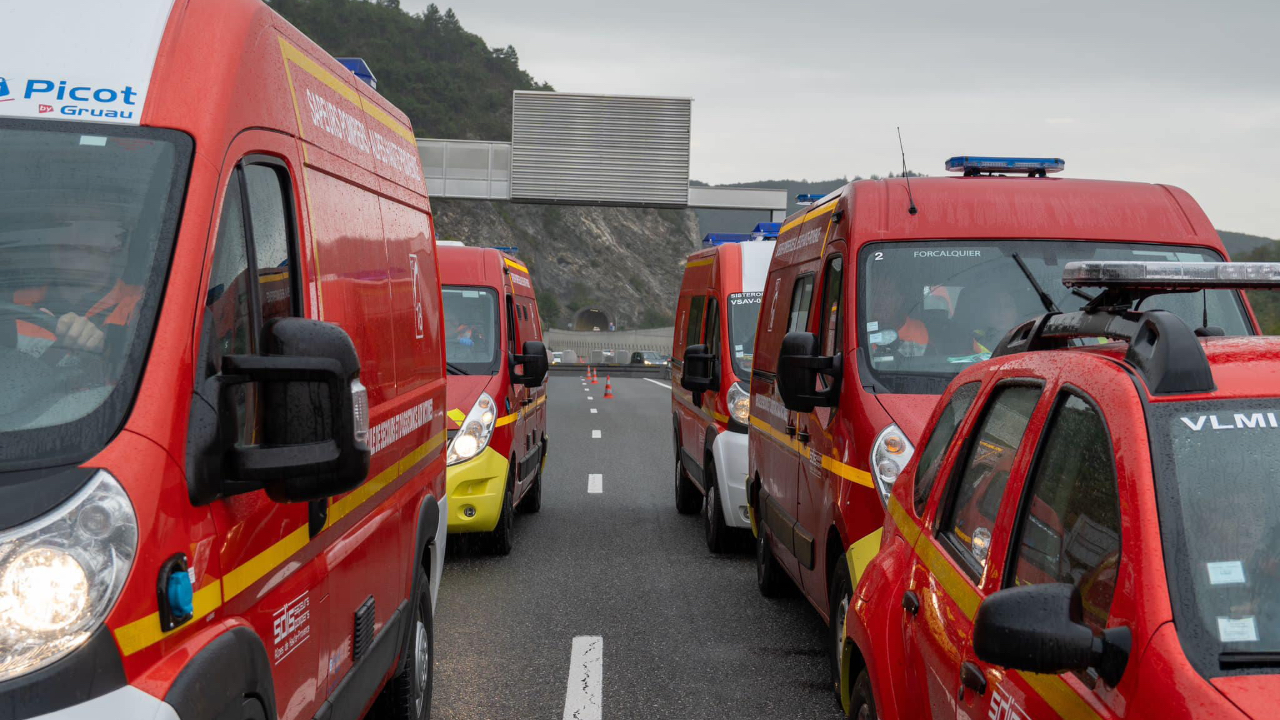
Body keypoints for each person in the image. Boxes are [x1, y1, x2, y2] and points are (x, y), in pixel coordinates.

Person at [10, 221, 140, 360]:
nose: (73, 238)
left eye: (88, 228)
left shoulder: (143, 305)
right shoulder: (15, 304)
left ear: (115, 244)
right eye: (64, 225)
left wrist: (102, 352)